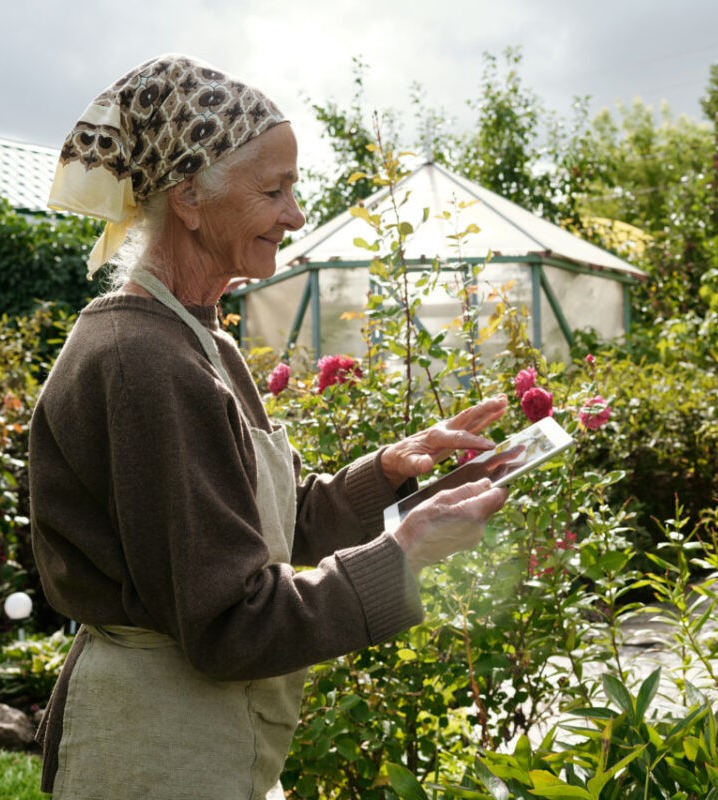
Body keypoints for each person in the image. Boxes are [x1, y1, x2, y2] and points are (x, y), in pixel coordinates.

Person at [29, 54, 509, 800]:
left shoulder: (198, 339)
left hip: (199, 736)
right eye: (273, 190)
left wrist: (391, 470)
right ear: (190, 195)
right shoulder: (143, 361)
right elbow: (230, 622)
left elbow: (253, 529)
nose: (296, 215)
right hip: (157, 750)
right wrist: (404, 553)